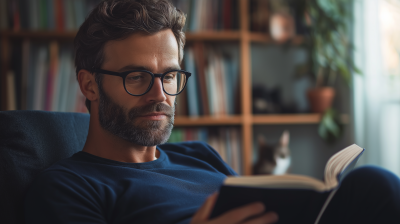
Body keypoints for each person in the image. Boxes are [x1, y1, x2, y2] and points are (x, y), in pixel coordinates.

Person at [24, 0, 400, 224]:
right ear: (89, 85)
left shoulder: (199, 154)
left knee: (372, 184)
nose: (160, 95)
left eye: (170, 76)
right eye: (136, 77)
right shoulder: (68, 186)